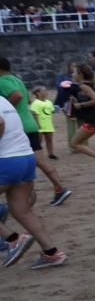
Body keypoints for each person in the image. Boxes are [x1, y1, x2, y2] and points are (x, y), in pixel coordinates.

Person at [0, 94, 68, 270]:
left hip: (6, 160)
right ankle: (52, 253)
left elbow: (0, 123)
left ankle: (13, 239)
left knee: (21, 211)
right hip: (25, 156)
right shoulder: (3, 100)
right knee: (22, 211)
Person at [0, 58, 71, 205]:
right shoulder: (16, 79)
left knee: (16, 160)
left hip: (18, 126)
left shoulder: (2, 80)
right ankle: (59, 188)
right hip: (29, 124)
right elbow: (24, 98)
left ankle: (24, 198)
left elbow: (17, 96)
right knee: (39, 161)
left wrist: (6, 109)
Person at [28, 87, 56, 160]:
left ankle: (51, 154)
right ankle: (36, 156)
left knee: (49, 140)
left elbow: (51, 111)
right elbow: (34, 114)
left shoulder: (49, 102)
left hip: (48, 124)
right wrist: (37, 124)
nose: (46, 92)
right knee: (38, 141)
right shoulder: (35, 103)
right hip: (39, 125)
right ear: (38, 93)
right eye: (44, 91)